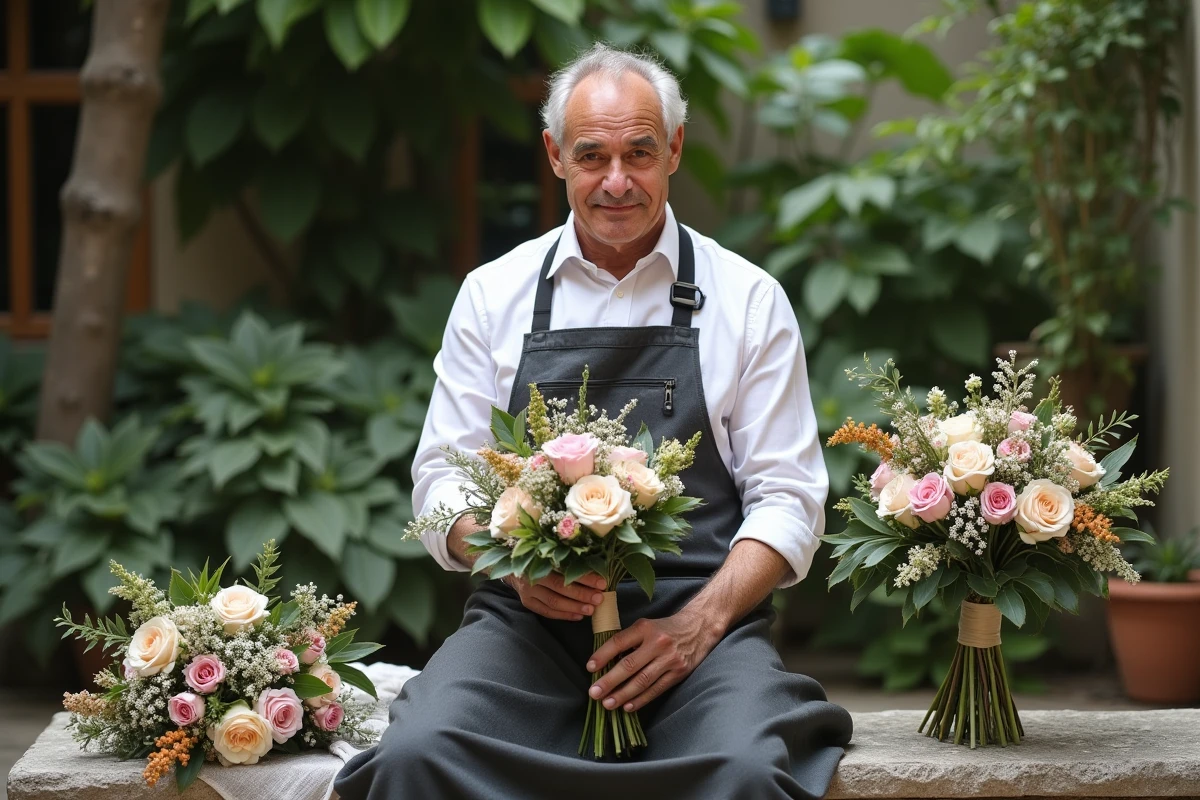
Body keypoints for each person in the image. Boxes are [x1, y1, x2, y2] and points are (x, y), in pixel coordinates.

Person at [334, 42, 853, 800]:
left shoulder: (747, 300)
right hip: (526, 627)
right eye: (592, 156)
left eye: (639, 152)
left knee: (745, 769)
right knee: (420, 750)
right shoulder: (493, 295)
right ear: (553, 156)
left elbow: (791, 495)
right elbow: (440, 485)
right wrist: (508, 561)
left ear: (674, 149)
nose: (617, 181)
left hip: (699, 630)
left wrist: (699, 625)